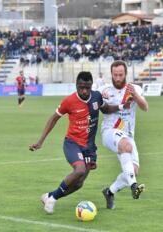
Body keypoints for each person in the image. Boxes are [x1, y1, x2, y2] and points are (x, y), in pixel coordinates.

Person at [29, 71, 129, 214]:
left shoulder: (96, 97)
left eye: (87, 88)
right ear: (76, 85)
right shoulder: (69, 101)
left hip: (89, 147)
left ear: (91, 86)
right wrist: (40, 141)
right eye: (81, 87)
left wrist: (121, 106)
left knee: (79, 183)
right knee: (80, 170)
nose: (84, 91)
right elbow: (53, 118)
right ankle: (52, 200)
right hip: (72, 143)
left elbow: (105, 109)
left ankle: (50, 196)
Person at [100, 60, 149, 210]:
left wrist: (136, 96)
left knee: (133, 171)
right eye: (115, 75)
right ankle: (134, 186)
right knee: (126, 146)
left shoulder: (134, 89)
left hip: (127, 134)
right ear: (111, 74)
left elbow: (145, 107)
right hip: (109, 131)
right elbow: (104, 109)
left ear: (125, 74)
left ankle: (109, 192)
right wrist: (102, 97)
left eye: (121, 74)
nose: (118, 78)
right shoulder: (105, 90)